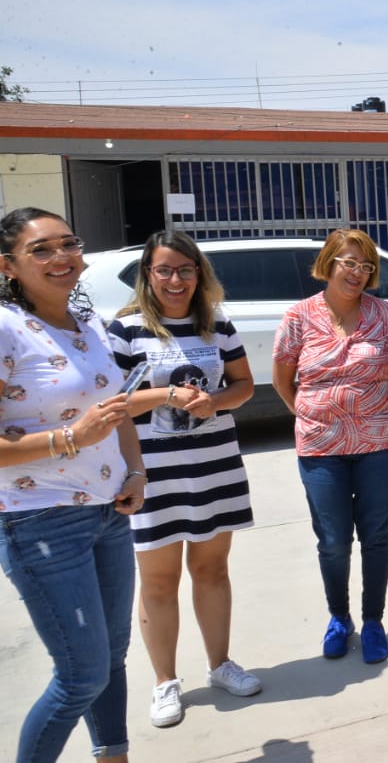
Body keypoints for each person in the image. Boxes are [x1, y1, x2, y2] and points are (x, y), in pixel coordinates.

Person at [0, 207, 147, 763]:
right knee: (80, 676)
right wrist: (70, 437)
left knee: (110, 660)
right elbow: (84, 427)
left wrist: (135, 471)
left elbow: (118, 411)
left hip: (108, 513)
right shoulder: (5, 327)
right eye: (41, 249)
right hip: (40, 520)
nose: (62, 257)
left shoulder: (88, 327)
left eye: (69, 243)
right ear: (7, 266)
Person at [107, 230, 260, 729]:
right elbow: (115, 406)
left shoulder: (218, 325)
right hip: (153, 474)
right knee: (159, 580)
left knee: (213, 571)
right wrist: (167, 397)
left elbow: (244, 386)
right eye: (164, 270)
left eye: (186, 270)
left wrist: (214, 402)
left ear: (200, 274)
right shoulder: (126, 331)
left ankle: (220, 665)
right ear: (148, 276)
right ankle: (165, 683)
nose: (176, 280)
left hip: (215, 465)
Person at [272, 229, 388, 664]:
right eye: (348, 262)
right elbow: (282, 378)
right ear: (328, 263)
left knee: (376, 536)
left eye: (366, 266)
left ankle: (372, 621)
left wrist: (376, 410)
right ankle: (338, 618)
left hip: (380, 443)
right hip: (320, 446)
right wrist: (315, 414)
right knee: (332, 539)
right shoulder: (298, 316)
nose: (357, 273)